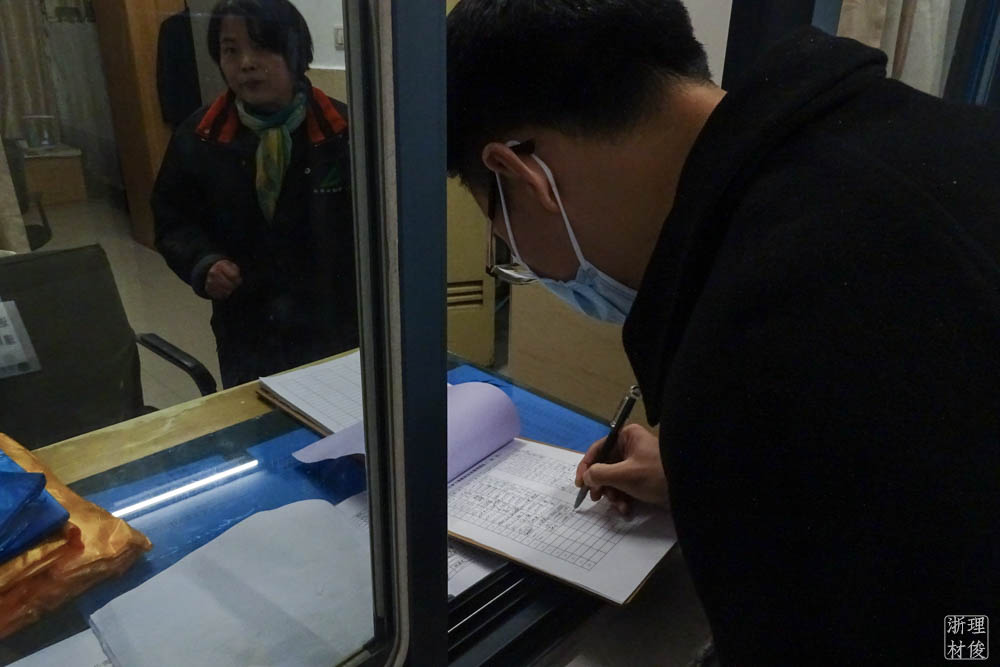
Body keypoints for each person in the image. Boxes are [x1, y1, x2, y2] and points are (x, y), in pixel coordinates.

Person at [447, 1, 998, 664]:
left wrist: (732, 466)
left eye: (500, 231)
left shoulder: (755, 338)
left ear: (519, 174)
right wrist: (705, 478)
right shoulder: (916, 136)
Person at [154, 0, 357, 388]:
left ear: (295, 51)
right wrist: (204, 262)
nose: (246, 63)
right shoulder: (200, 136)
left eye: (262, 46)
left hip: (335, 327)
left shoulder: (344, 130)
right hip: (248, 330)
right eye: (231, 50)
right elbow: (172, 221)